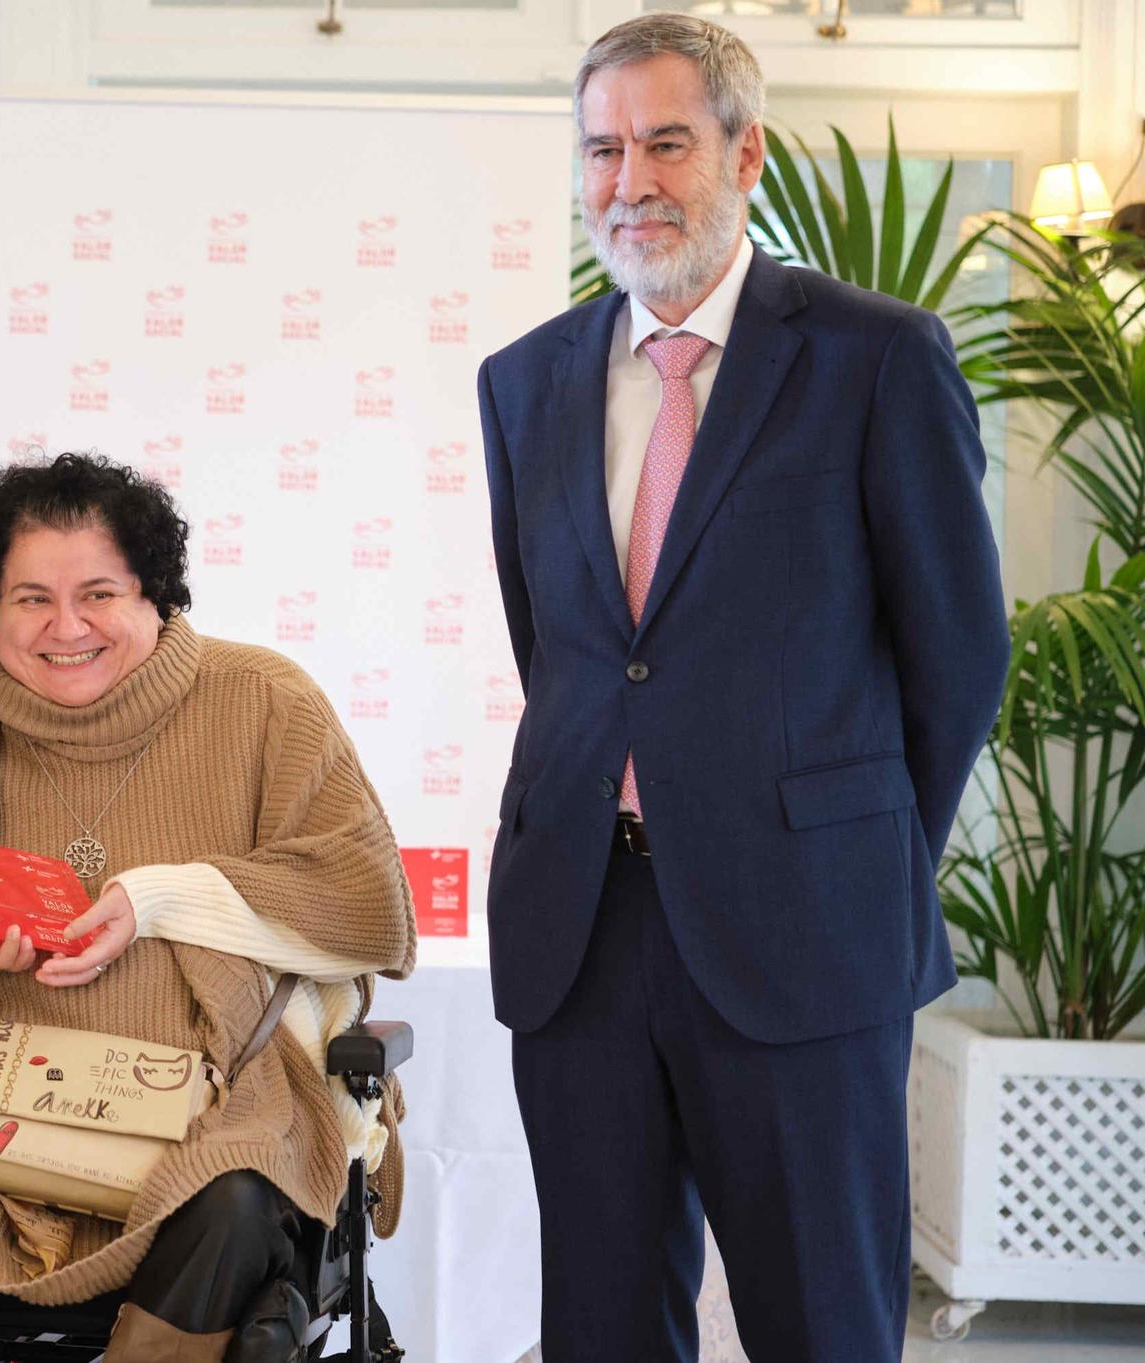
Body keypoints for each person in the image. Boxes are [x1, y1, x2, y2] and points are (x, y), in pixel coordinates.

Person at [477, 15, 1007, 1363]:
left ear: (743, 151)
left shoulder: (875, 359)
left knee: (822, 1322)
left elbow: (958, 653)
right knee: (598, 1327)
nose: (628, 182)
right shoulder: (525, 382)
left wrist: (851, 844)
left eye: (665, 142)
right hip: (584, 929)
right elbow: (564, 650)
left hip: (806, 934)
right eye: (602, 149)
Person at [0, 453, 416, 1363]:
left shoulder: (267, 703)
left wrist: (153, 901)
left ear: (156, 594)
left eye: (99, 592)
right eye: (30, 598)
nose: (65, 626)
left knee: (231, 1192)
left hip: (216, 1107)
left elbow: (371, 907)